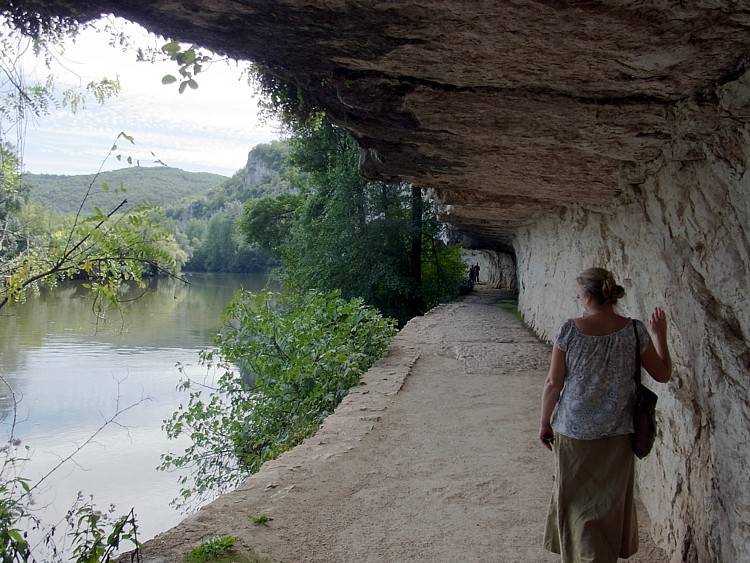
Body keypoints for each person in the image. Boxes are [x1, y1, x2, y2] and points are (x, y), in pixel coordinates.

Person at [539, 267, 672, 563]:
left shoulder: (569, 330)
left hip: (573, 431)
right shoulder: (635, 330)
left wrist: (545, 422)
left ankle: (582, 556)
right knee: (608, 504)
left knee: (574, 501)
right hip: (617, 433)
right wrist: (660, 336)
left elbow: (553, 383)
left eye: (578, 294)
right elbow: (662, 374)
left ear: (587, 296)